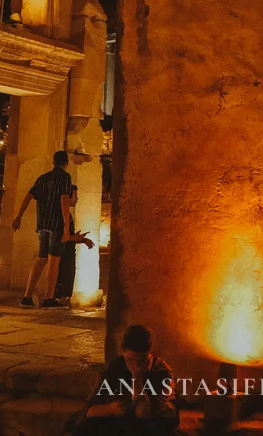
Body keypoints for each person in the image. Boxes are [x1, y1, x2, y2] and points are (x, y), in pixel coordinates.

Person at [75, 324, 179, 436]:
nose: (135, 365)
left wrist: (137, 376)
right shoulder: (114, 367)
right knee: (85, 428)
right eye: (130, 360)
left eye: (141, 360)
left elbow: (143, 413)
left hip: (150, 425)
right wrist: (110, 408)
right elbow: (89, 410)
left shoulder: (162, 372)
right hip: (118, 423)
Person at [11, 150, 75, 308]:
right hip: (56, 224)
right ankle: (48, 298)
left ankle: (27, 296)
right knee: (54, 260)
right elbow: (64, 200)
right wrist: (67, 227)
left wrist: (18, 216)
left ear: (53, 162)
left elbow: (28, 196)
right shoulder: (65, 177)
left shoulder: (43, 178)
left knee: (41, 259)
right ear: (66, 163)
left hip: (42, 224)